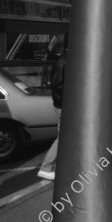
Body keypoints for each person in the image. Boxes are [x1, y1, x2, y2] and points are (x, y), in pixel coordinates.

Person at [37, 35, 68, 181]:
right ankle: (46, 166)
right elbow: (58, 84)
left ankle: (54, 166)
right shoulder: (64, 61)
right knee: (63, 138)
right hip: (64, 106)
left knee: (64, 137)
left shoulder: (63, 60)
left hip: (62, 105)